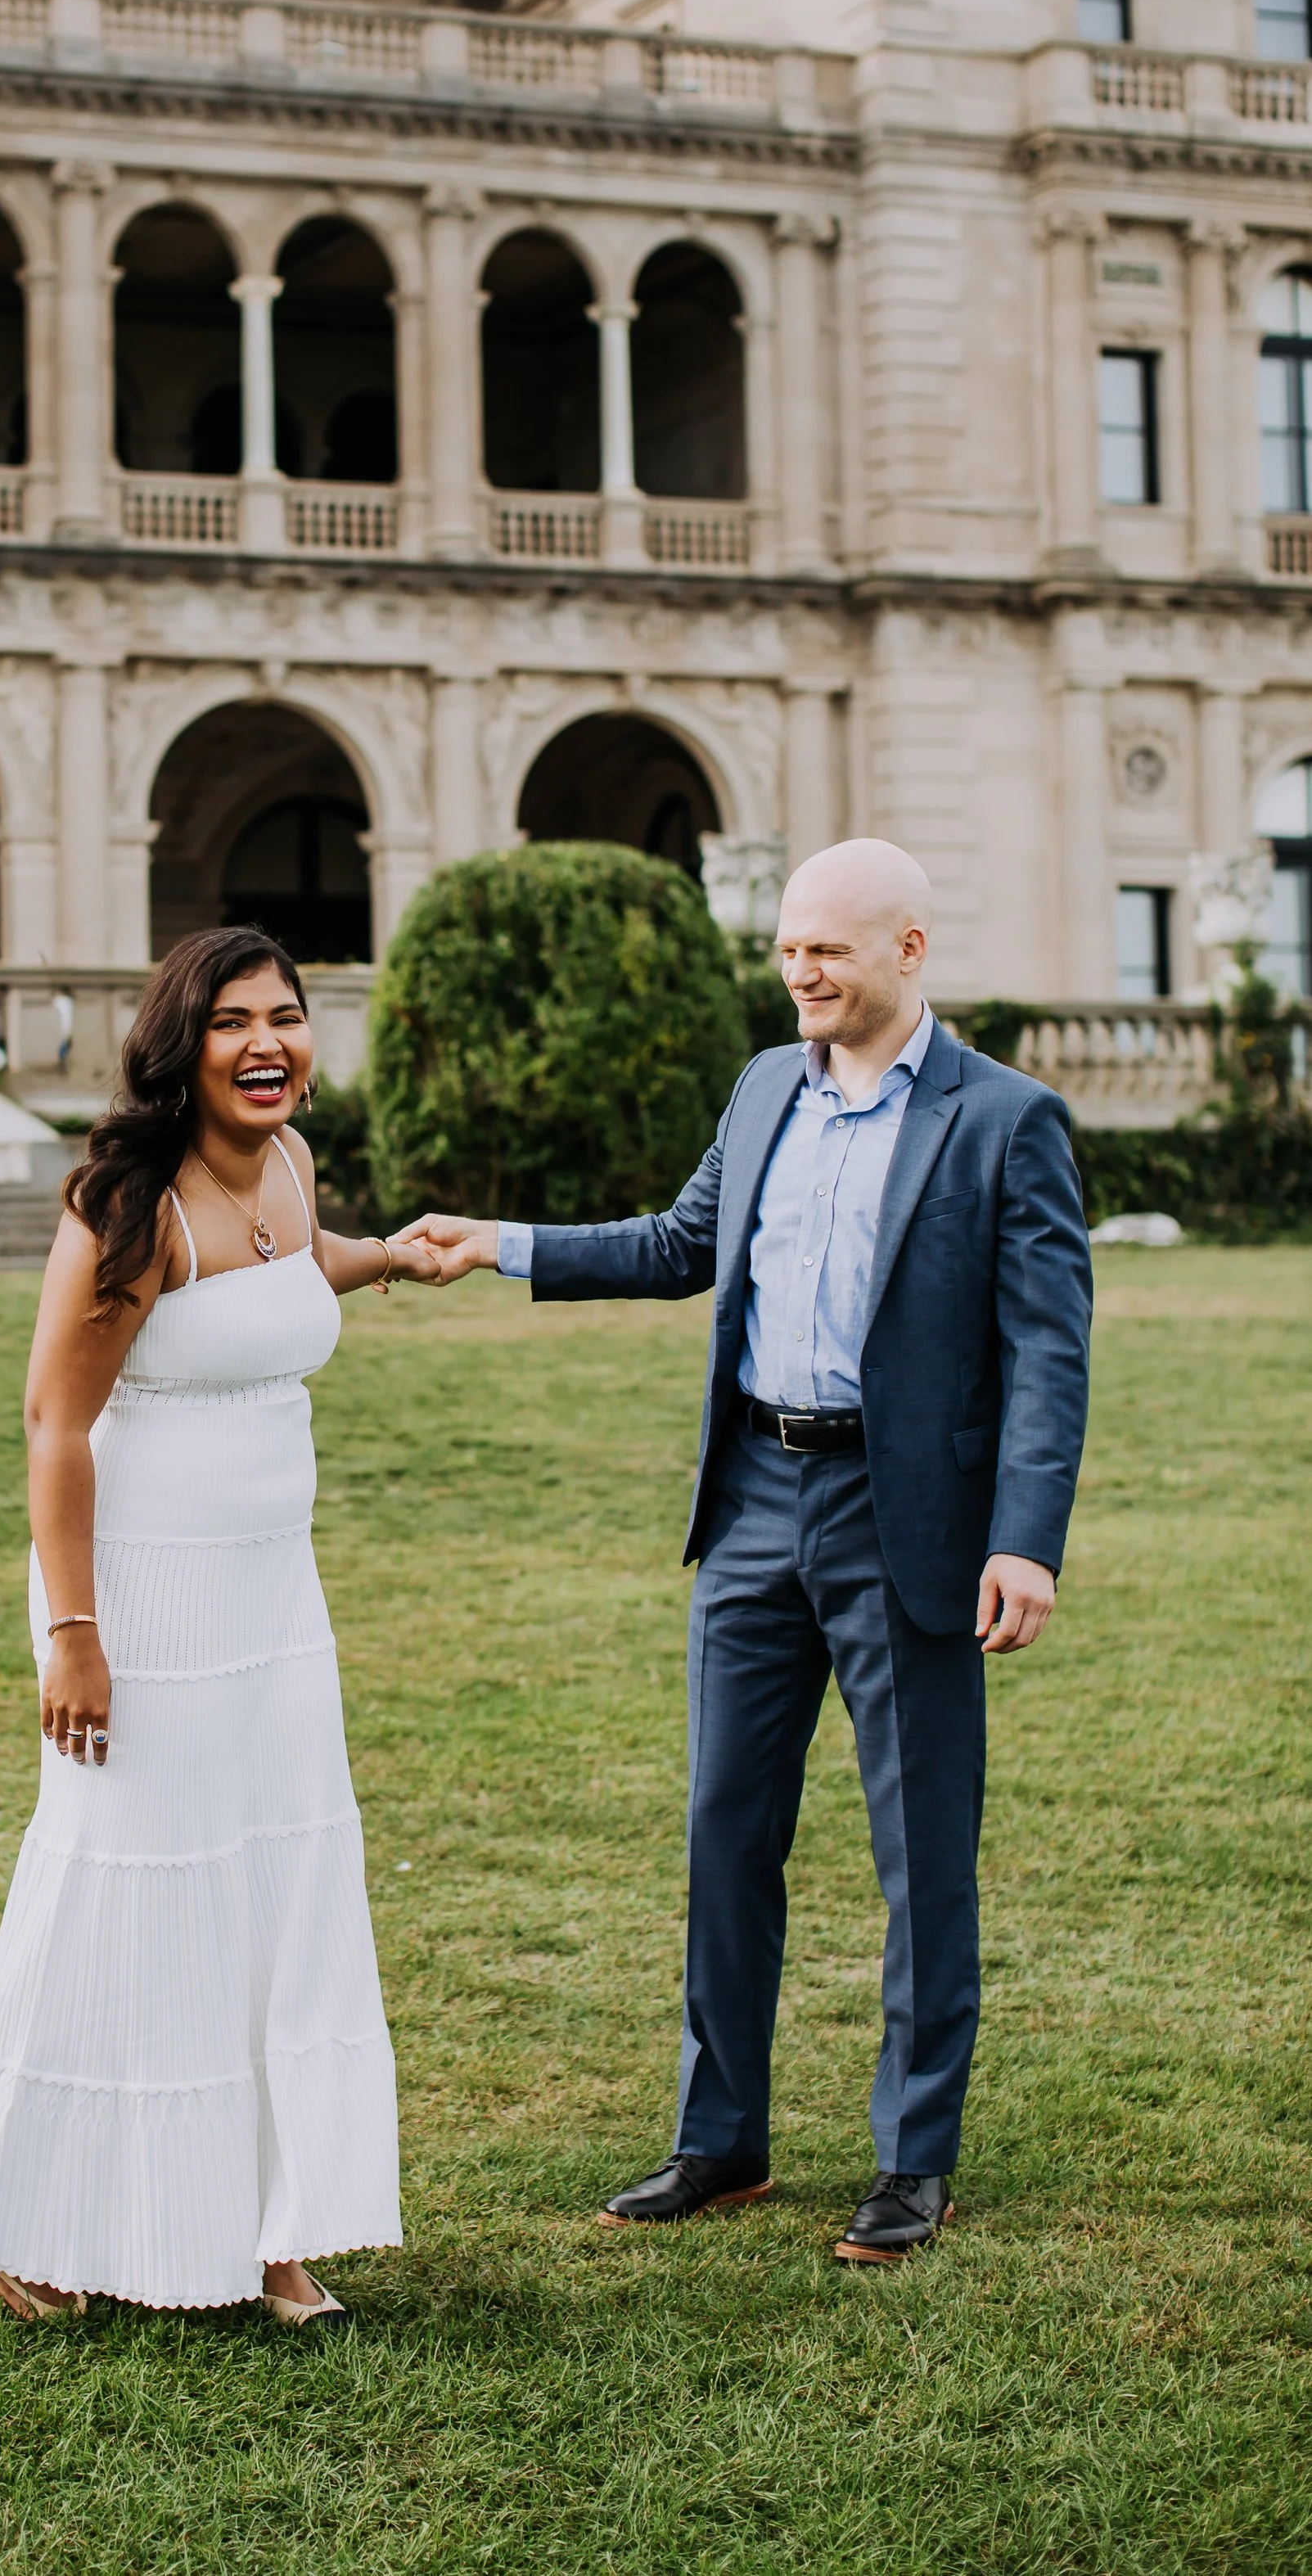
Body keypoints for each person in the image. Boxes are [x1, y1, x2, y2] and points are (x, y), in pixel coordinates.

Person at [397, 839, 1092, 2265]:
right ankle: (719, 2141)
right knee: (727, 1831)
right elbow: (678, 1244)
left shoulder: (1006, 1121)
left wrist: (1026, 1543)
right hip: (754, 1511)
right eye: (788, 946)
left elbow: (1048, 1353)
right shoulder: (766, 1086)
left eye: (827, 949)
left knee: (922, 1853)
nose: (799, 970)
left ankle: (916, 2159)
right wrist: (504, 1242)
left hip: (913, 1528)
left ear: (908, 950)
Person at [0, 925, 435, 2324]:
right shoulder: (127, 1205)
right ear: (186, 1042)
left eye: (284, 1016)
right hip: (141, 1608)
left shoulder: (289, 1172)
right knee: (125, 1901)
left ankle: (271, 2237)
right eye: (233, 1021)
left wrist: (389, 1258)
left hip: (273, 1604)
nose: (266, 1044)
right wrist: (74, 1632)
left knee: (278, 1900)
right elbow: (56, 1421)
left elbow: (280, 1282)